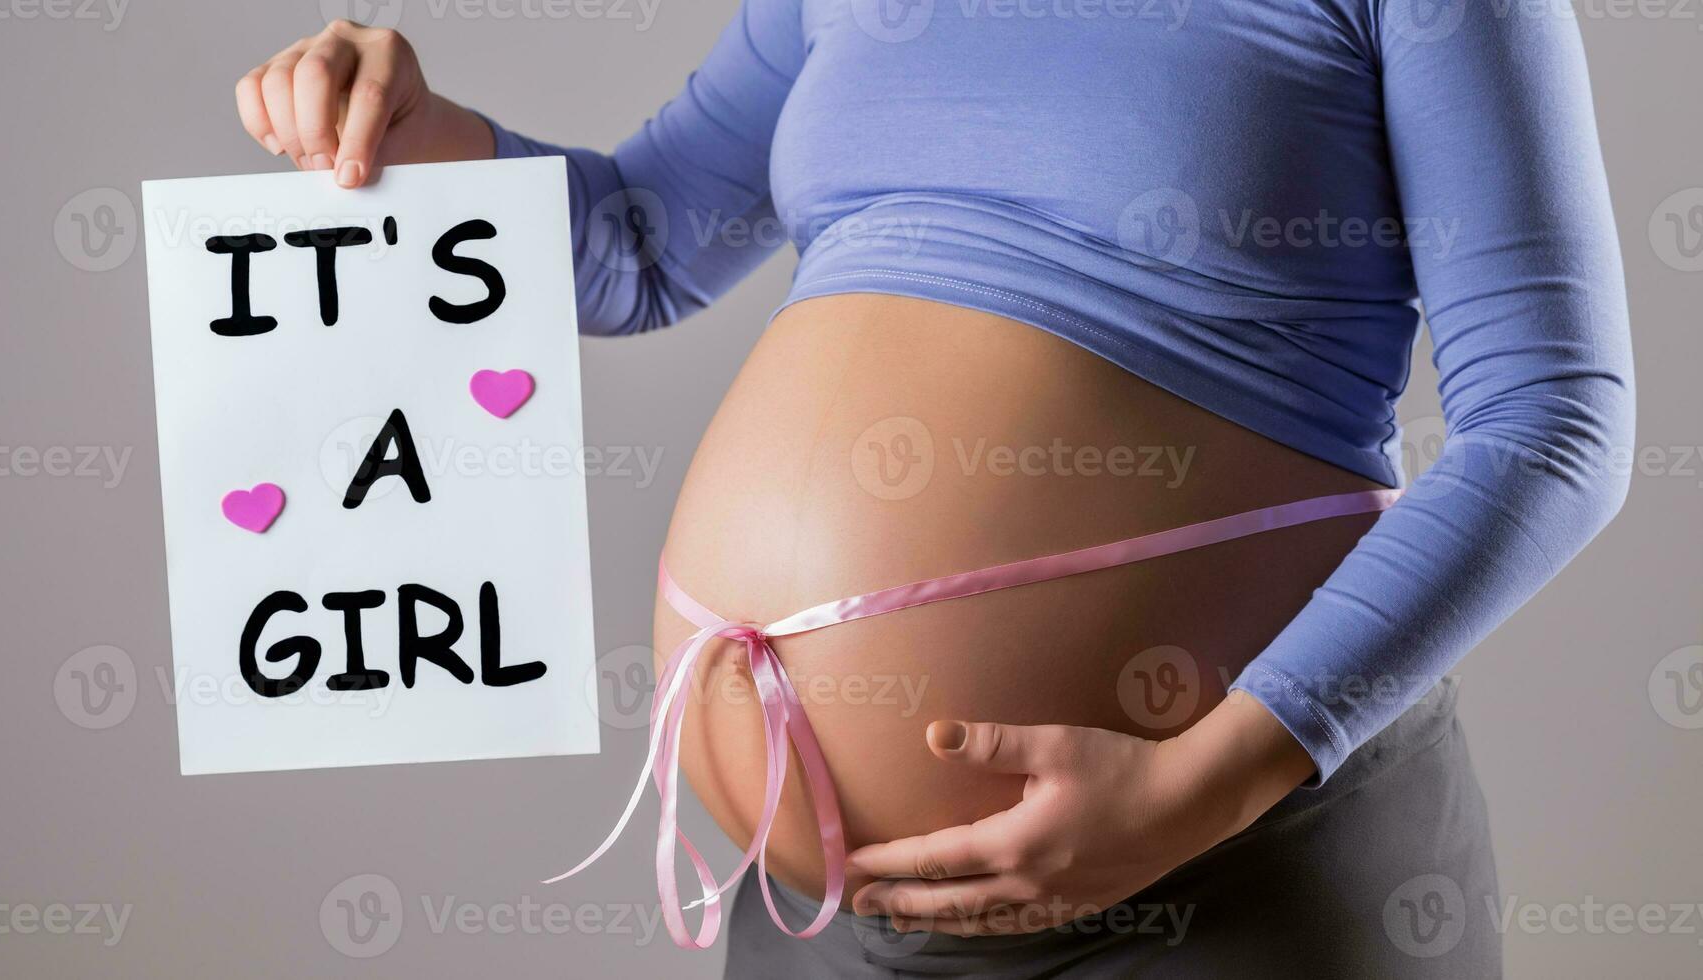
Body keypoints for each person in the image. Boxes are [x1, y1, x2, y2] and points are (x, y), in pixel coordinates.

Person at [236, 4, 1632, 975]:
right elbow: (642, 246)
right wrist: (426, 145)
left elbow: (1551, 423)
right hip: (822, 928)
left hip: (1222, 878)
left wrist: (1193, 789)